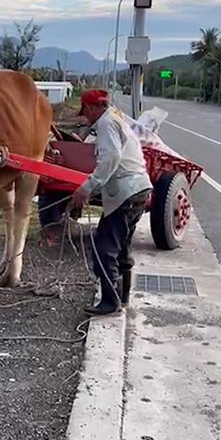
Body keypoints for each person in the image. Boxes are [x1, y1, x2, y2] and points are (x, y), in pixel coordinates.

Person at [69, 89, 152, 315]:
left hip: (125, 192)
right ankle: (122, 296)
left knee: (105, 249)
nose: (85, 117)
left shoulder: (105, 124)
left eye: (85, 112)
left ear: (91, 107)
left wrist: (86, 188)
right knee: (122, 246)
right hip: (139, 189)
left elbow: (111, 158)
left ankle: (110, 302)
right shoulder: (118, 118)